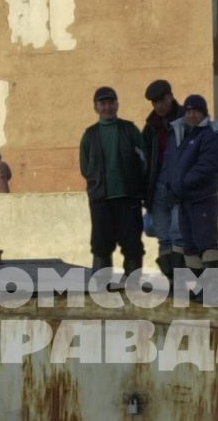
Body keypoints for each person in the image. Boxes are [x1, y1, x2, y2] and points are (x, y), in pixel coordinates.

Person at [78, 85, 148, 281]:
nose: (107, 107)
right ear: (95, 107)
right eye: (103, 103)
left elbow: (144, 162)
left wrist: (134, 184)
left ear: (117, 105)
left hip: (129, 198)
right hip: (101, 199)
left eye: (111, 102)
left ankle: (132, 285)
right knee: (101, 245)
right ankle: (101, 286)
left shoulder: (130, 130)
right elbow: (85, 168)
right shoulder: (89, 135)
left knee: (133, 245)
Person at [169, 94, 218, 293]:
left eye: (195, 111)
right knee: (190, 245)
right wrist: (174, 186)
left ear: (203, 112)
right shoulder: (188, 135)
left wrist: (184, 182)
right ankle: (198, 289)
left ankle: (211, 289)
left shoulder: (212, 133)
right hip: (186, 200)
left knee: (206, 243)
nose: (192, 115)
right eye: (188, 111)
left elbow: (208, 165)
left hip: (203, 199)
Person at [141, 78, 187, 278]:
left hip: (180, 184)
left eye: (161, 100)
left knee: (178, 234)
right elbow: (143, 160)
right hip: (157, 184)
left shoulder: (187, 119)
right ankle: (172, 281)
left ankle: (183, 280)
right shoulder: (151, 127)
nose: (158, 106)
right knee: (164, 238)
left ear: (170, 97)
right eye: (154, 102)